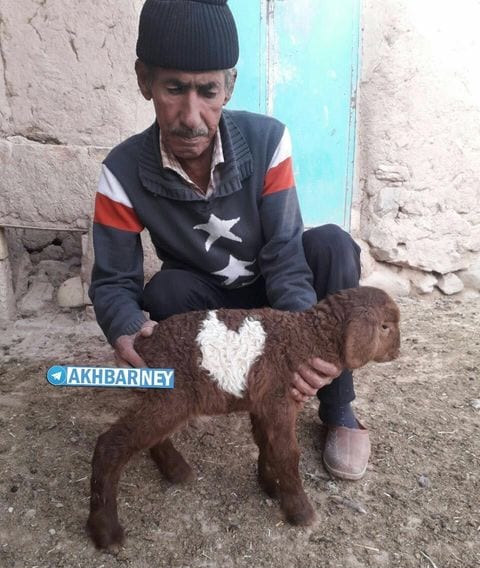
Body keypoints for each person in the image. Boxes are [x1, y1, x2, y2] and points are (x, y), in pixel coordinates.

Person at [89, 0, 370, 480]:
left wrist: (299, 345)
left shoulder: (267, 141)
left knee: (332, 247)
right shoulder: (121, 171)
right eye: (173, 88)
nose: (191, 116)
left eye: (208, 91)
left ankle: (338, 408)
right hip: (212, 306)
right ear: (144, 81)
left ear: (230, 86)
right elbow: (114, 279)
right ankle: (190, 398)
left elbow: (285, 257)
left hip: (272, 295)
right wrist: (123, 324)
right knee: (164, 292)